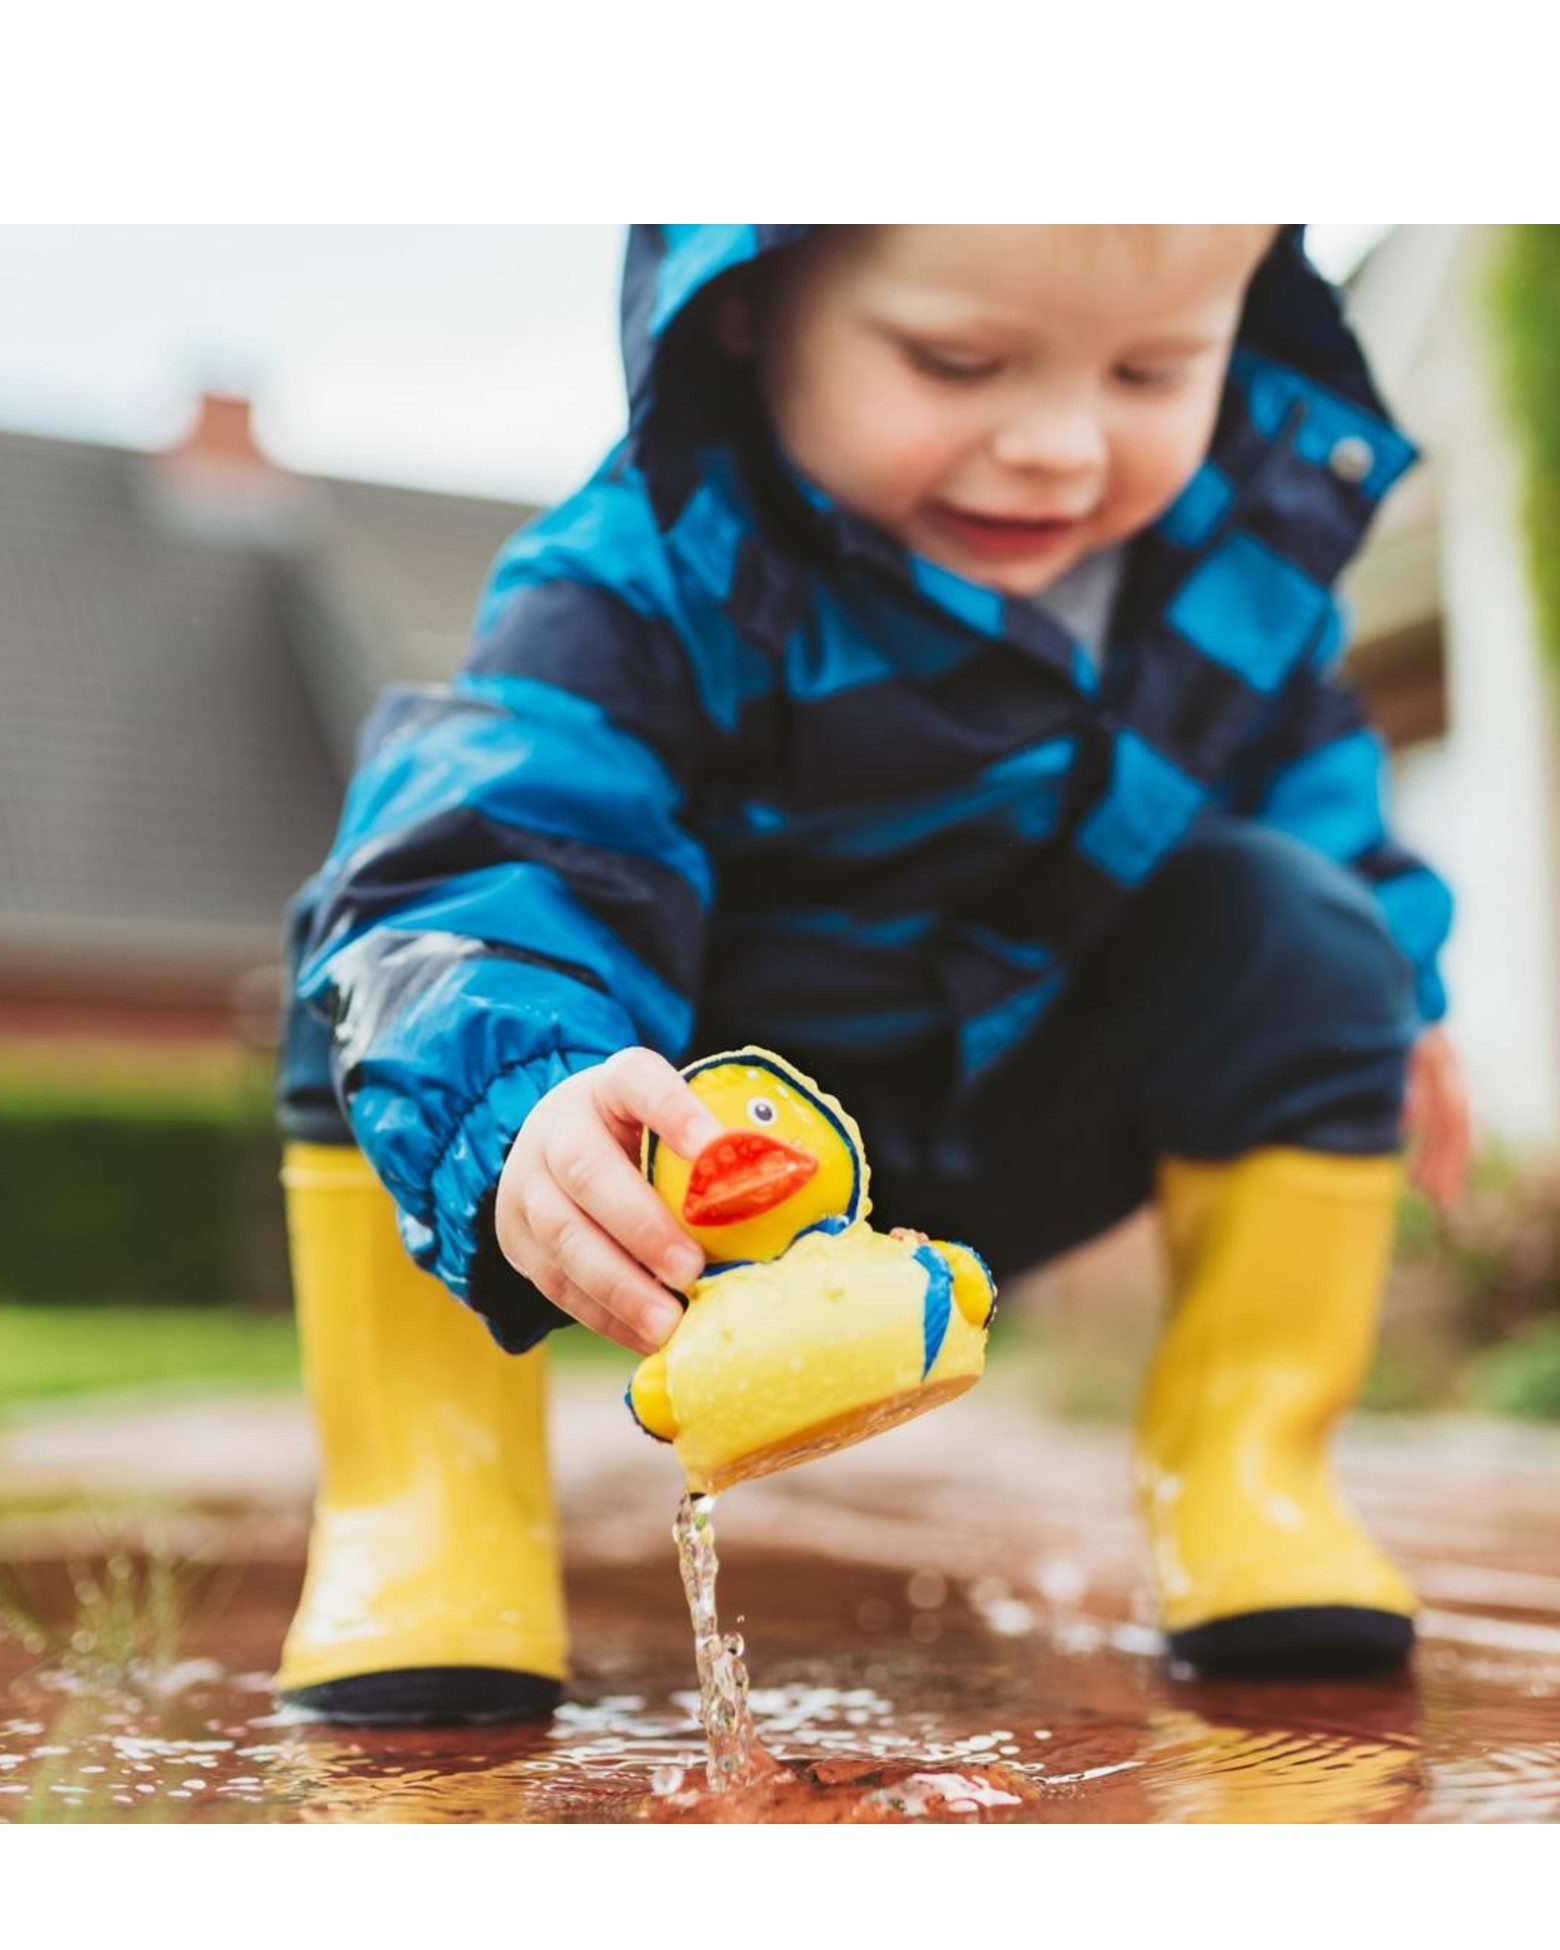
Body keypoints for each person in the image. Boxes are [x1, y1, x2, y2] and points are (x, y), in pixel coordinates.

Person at [274, 225, 1471, 1723]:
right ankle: (429, 1506)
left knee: (1305, 921)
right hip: (706, 1160)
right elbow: (501, 837)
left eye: (1152, 372)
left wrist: (1389, 993)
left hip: (1014, 1116)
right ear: (744, 308)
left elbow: (1310, 788)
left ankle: (1249, 1475)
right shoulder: (647, 577)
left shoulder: (1228, 570)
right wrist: (526, 1101)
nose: (1060, 446)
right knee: (403, 957)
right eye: (958, 363)